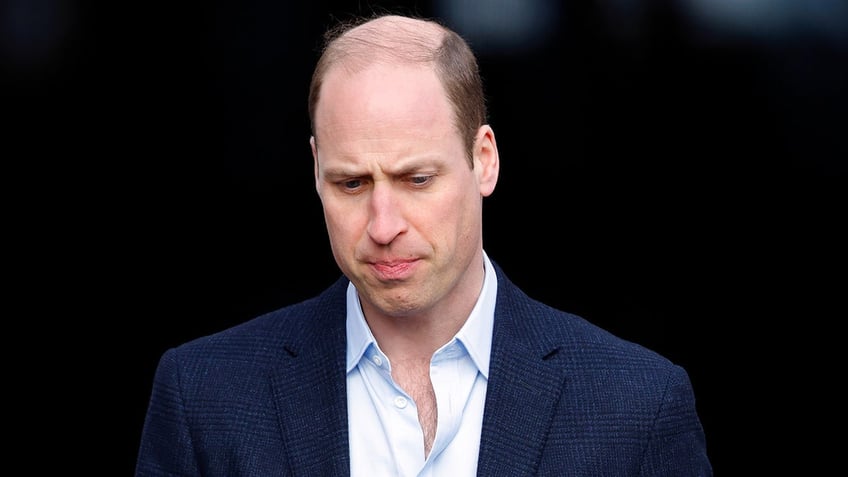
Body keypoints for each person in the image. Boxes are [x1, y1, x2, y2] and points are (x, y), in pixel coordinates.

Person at [135, 12, 712, 476]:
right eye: (351, 183)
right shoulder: (204, 397)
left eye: (417, 179)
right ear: (315, 171)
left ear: (483, 160)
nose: (383, 225)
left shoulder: (636, 406)